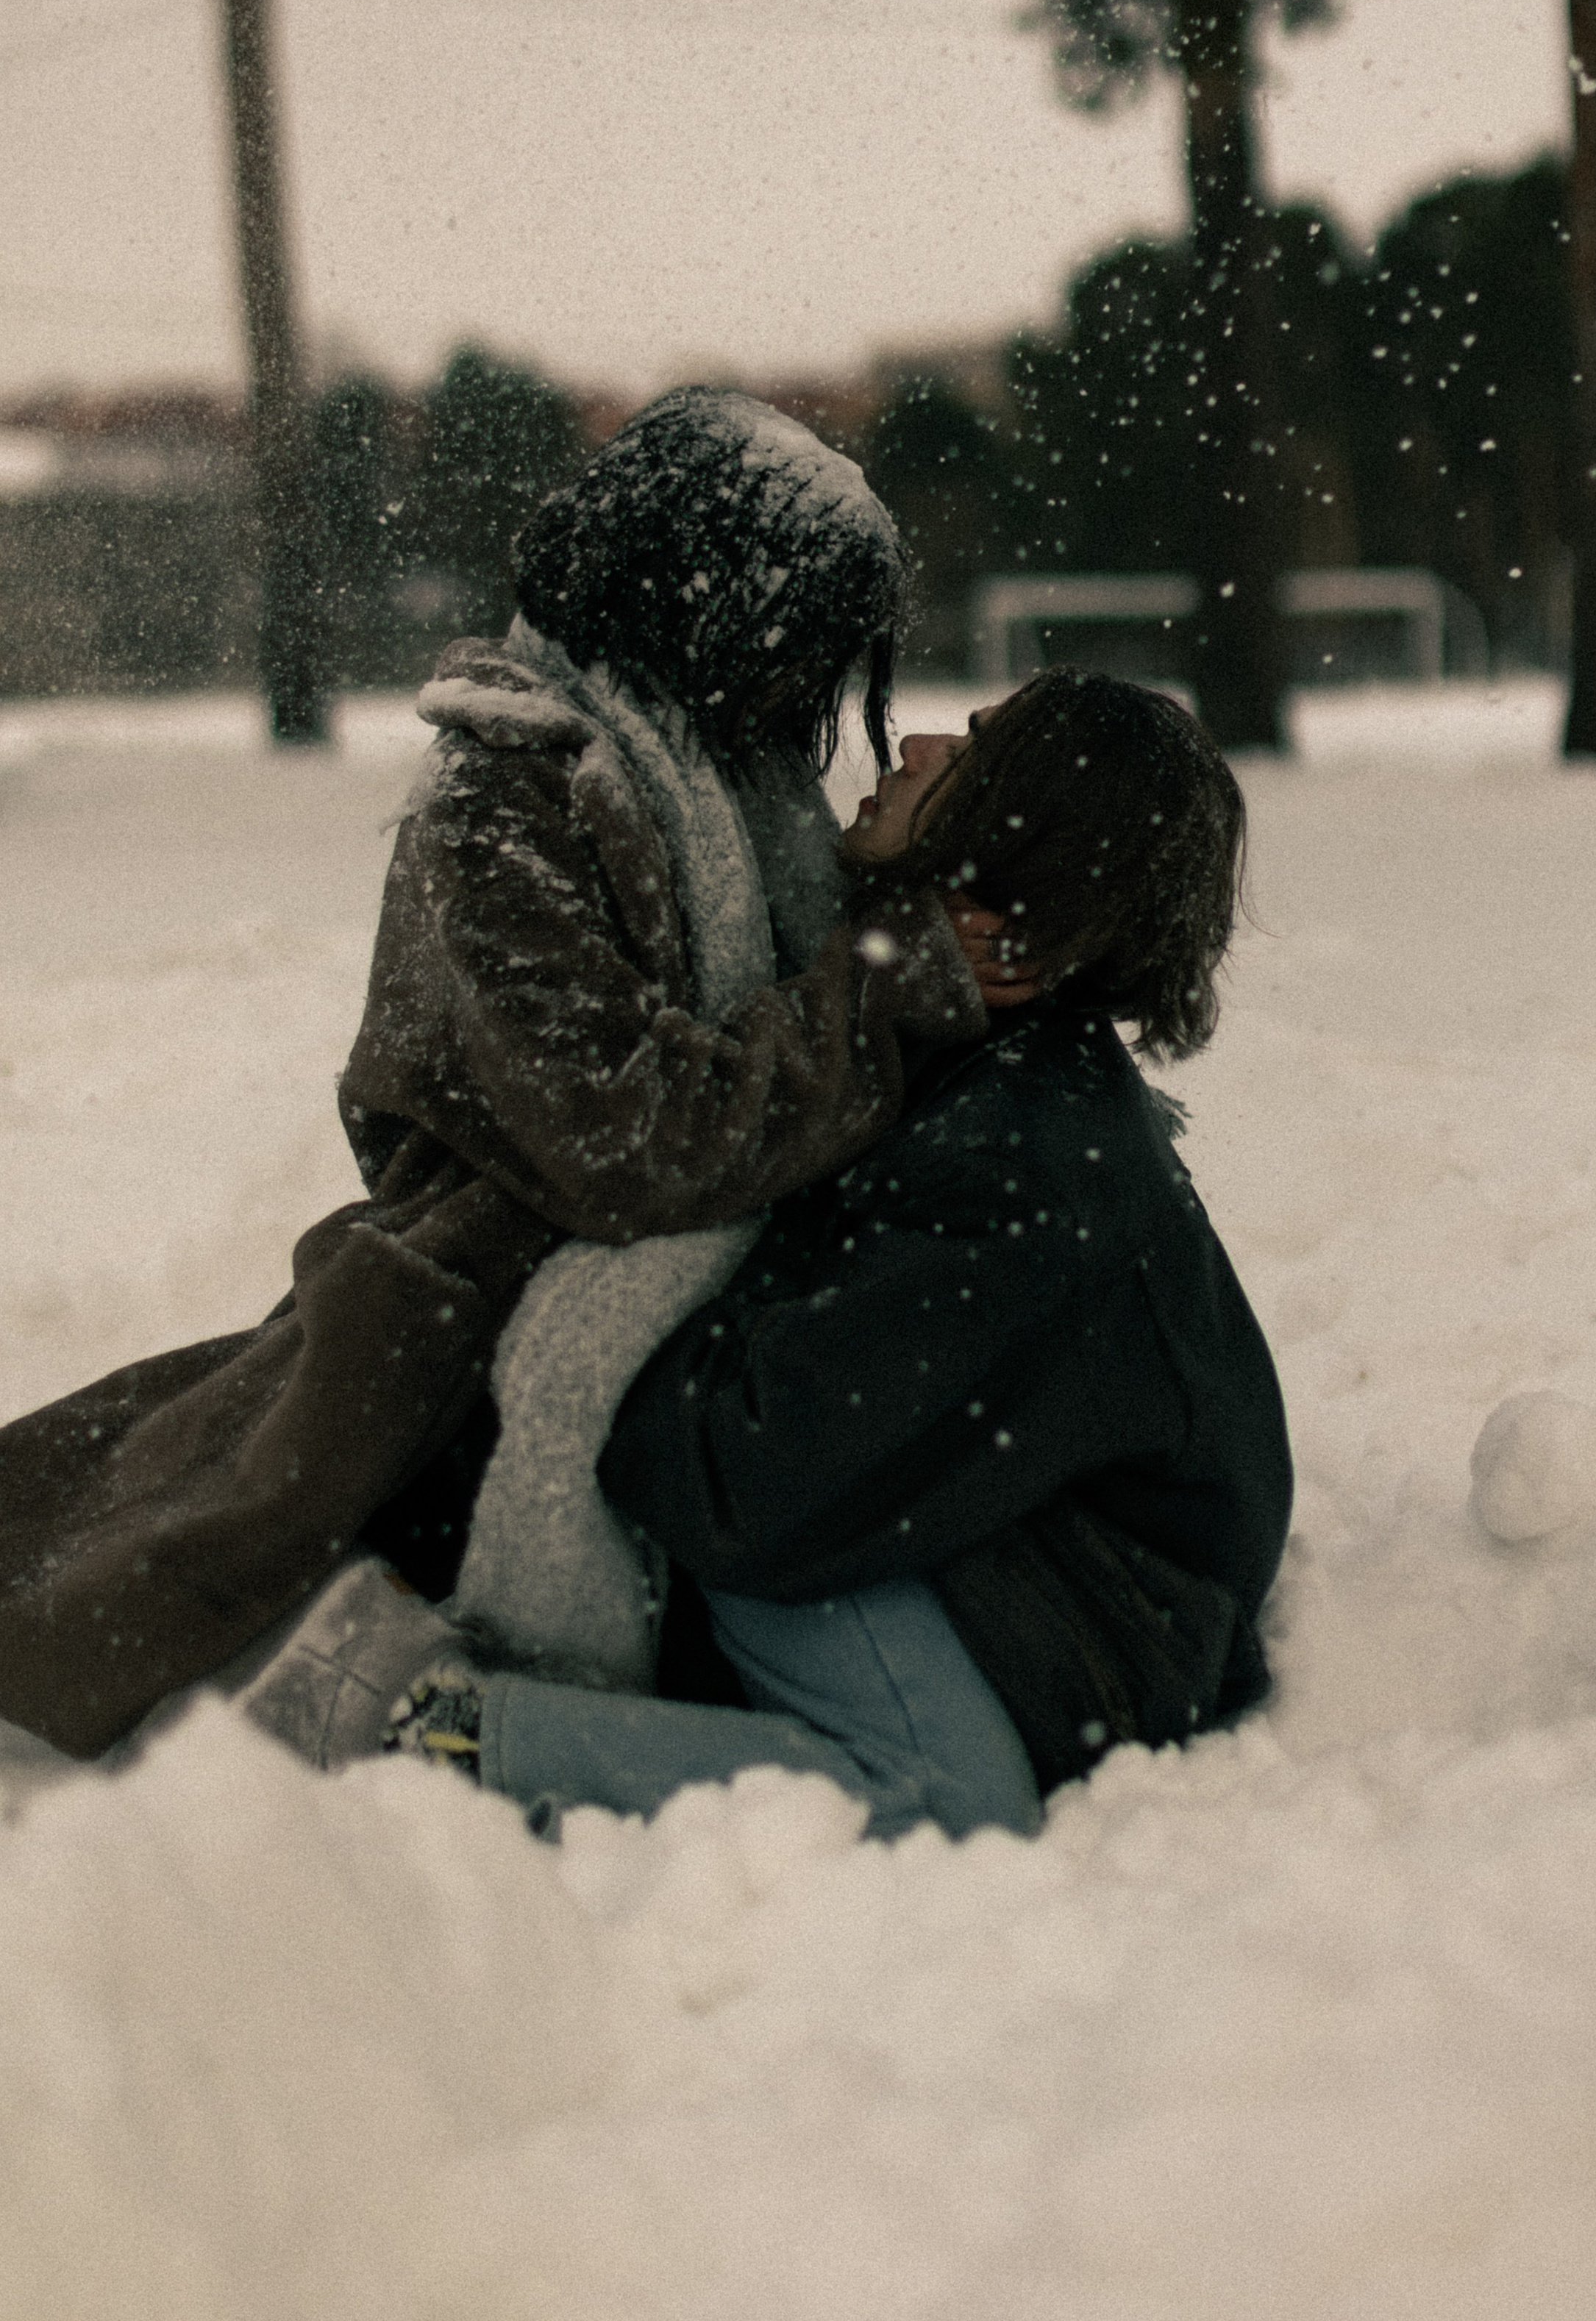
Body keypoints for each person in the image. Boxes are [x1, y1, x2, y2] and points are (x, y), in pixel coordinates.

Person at [0, 390, 1002, 1762]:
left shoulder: (729, 784)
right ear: (706, 595)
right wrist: (898, 985)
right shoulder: (503, 800)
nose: (811, 686)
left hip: (657, 1288)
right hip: (468, 1306)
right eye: (797, 634)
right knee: (154, 1550)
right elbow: (628, 1135)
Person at [383, 669, 1294, 1842]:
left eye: (968, 748)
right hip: (977, 1551)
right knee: (947, 1789)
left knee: (946, 1802)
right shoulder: (963, 1049)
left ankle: (450, 1740)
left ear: (1028, 833)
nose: (910, 743)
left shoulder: (1024, 1152)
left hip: (1083, 1608)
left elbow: (757, 1489)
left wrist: (617, 1377)